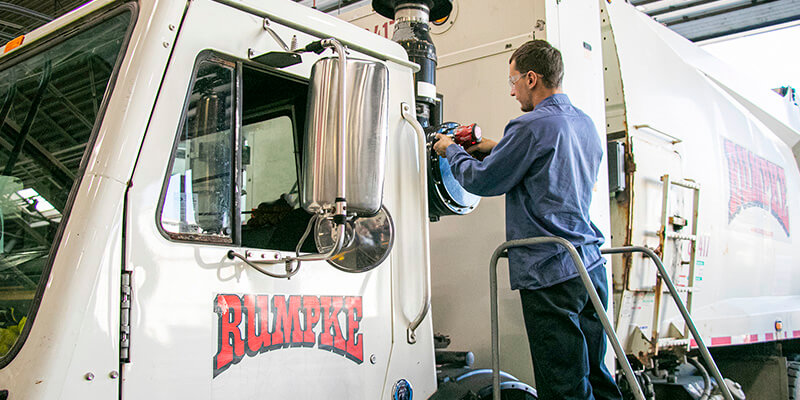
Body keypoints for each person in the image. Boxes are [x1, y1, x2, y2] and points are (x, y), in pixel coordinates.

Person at [432, 40, 622, 400]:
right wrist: (495, 146)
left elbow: (484, 180)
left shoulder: (529, 126)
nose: (511, 90)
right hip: (590, 266)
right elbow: (546, 164)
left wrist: (451, 150)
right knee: (596, 375)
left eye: (513, 80)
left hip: (551, 272)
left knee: (563, 384)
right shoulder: (584, 124)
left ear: (531, 78)